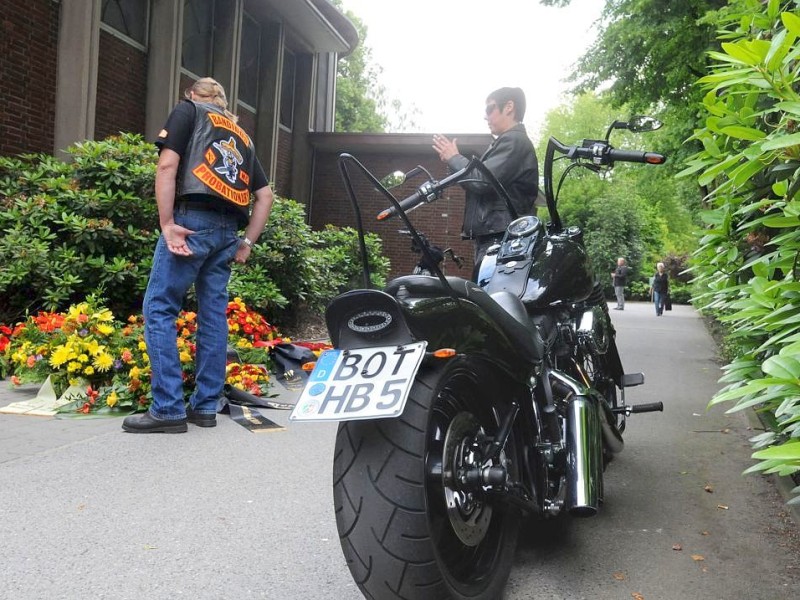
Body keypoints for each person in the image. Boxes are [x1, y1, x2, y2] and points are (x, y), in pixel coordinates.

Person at [122, 77, 274, 433]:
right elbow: (265, 197)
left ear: (192, 94)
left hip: (191, 220)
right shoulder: (242, 135)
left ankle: (168, 409)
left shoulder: (188, 110)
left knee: (159, 308)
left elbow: (166, 167)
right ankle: (204, 407)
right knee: (212, 315)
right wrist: (246, 243)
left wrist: (167, 223)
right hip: (227, 232)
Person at [432, 87, 538, 280]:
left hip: (501, 238)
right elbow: (479, 182)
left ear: (509, 107)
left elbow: (481, 181)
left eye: (490, 109)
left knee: (492, 303)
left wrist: (455, 158)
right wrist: (454, 162)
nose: (485, 116)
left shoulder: (514, 141)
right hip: (497, 236)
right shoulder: (507, 143)